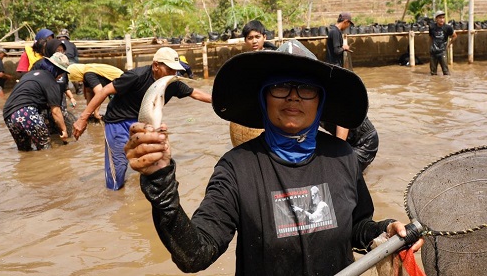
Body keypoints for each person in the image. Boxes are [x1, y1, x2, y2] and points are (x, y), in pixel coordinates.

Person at [124, 39, 423, 274]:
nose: (293, 96)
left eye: (306, 89)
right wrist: (160, 182)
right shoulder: (236, 168)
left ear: (320, 101)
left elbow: (357, 228)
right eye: (280, 87)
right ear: (263, 97)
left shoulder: (342, 156)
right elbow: (195, 256)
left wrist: (384, 231)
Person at [73, 47, 212, 191]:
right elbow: (104, 91)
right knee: (119, 167)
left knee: (151, 162)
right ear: (156, 65)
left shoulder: (172, 83)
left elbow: (195, 93)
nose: (173, 74)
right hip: (118, 122)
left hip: (141, 123)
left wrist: (218, 101)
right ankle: (114, 196)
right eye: (169, 69)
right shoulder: (136, 76)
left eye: (175, 70)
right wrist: (83, 118)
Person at [3, 52, 70, 150]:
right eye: (61, 72)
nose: (61, 76)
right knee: (45, 149)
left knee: (25, 151)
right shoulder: (51, 81)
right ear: (56, 70)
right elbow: (55, 111)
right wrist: (64, 130)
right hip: (26, 112)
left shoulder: (29, 75)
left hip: (8, 114)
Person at [429, 10, 457, 76]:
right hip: (433, 52)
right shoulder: (432, 27)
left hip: (442, 52)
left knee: (446, 72)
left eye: (443, 18)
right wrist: (431, 47)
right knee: (433, 73)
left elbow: (455, 36)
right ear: (436, 19)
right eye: (440, 18)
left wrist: (449, 44)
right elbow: (430, 37)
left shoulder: (447, 27)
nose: (442, 20)